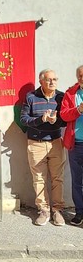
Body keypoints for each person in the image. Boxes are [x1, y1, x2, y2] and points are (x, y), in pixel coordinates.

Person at [20, 69, 66, 226]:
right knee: (39, 178)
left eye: (55, 79)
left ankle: (57, 210)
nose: (52, 82)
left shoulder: (61, 97)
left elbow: (66, 120)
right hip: (36, 143)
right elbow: (23, 119)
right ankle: (44, 210)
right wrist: (41, 119)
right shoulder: (31, 97)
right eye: (49, 79)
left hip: (55, 142)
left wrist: (55, 121)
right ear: (41, 81)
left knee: (57, 178)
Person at [60, 65, 83, 226]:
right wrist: (78, 110)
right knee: (77, 181)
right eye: (80, 76)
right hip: (76, 144)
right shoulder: (70, 93)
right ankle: (79, 212)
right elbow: (64, 114)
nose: (82, 78)